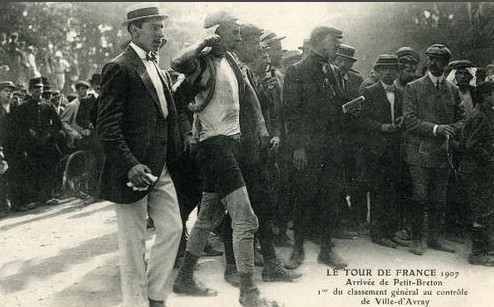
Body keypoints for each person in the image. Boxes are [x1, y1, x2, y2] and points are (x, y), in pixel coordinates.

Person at [170, 10, 280, 307]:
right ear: (217, 33)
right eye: (234, 31)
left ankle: (183, 279)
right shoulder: (202, 62)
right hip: (214, 147)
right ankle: (249, 294)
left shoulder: (231, 61)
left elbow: (248, 94)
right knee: (246, 219)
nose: (240, 36)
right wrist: (205, 42)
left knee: (207, 219)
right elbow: (177, 65)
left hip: (228, 146)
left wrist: (259, 124)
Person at [96, 4, 184, 307]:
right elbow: (107, 126)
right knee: (133, 244)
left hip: (159, 168)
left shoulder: (157, 67)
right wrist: (130, 165)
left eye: (162, 27)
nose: (161, 34)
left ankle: (155, 295)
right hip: (131, 171)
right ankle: (135, 302)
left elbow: (164, 116)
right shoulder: (118, 67)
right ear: (134, 30)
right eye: (155, 27)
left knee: (173, 228)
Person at [283, 25, 350, 270]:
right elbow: (291, 114)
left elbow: (334, 107)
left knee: (330, 199)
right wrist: (298, 148)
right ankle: (297, 249)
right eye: (334, 40)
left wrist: (348, 108)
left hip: (331, 149)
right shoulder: (296, 70)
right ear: (319, 41)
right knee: (303, 198)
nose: (337, 46)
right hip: (308, 150)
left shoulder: (332, 70)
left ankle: (326, 250)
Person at [403, 44, 468, 256]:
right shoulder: (413, 87)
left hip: (443, 152)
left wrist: (452, 129)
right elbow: (410, 121)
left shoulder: (453, 90)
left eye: (438, 59)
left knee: (439, 198)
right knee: (419, 195)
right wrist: (437, 129)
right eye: (430, 58)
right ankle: (416, 239)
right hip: (419, 152)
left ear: (446, 64)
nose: (432, 63)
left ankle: (434, 237)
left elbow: (463, 118)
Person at [358, 55, 408, 248]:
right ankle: (378, 233)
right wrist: (381, 127)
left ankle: (391, 230)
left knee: (393, 190)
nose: (388, 72)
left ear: (397, 72)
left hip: (396, 148)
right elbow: (360, 119)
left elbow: (406, 115)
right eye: (384, 69)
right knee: (378, 190)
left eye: (392, 69)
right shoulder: (369, 92)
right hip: (376, 149)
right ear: (377, 71)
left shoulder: (402, 93)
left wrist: (402, 120)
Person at [5, 77, 64, 211]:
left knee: (48, 169)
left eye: (40, 88)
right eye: (35, 89)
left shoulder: (48, 105)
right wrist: (28, 132)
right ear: (30, 90)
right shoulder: (23, 107)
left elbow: (57, 124)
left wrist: (49, 133)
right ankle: (33, 198)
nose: (38, 91)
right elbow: (18, 127)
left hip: (46, 143)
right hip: (31, 145)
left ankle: (48, 196)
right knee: (32, 171)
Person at [333, 44, 366, 238]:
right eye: (340, 60)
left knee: (353, 178)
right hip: (335, 135)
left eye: (347, 61)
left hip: (352, 137)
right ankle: (338, 222)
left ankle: (354, 219)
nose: (343, 65)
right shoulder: (327, 76)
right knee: (336, 179)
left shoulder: (356, 79)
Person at [459, 81, 494, 266]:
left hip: (480, 169)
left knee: (486, 209)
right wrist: (490, 157)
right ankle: (477, 253)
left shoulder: (486, 112)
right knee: (482, 211)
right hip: (476, 171)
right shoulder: (480, 115)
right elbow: (472, 145)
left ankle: (486, 249)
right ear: (485, 96)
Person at [60, 80, 90, 149]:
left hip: (87, 137)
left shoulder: (88, 104)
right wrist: (74, 134)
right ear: (77, 91)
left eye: (87, 89)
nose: (85, 91)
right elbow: (64, 122)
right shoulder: (72, 105)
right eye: (83, 89)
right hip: (75, 140)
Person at [0, 81, 15, 217]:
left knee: (14, 173)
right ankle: (2, 205)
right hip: (1, 146)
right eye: (5, 91)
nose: (9, 94)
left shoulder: (15, 107)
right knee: (2, 176)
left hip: (13, 147)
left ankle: (14, 202)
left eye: (10, 91)